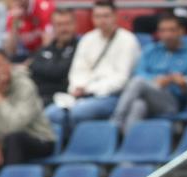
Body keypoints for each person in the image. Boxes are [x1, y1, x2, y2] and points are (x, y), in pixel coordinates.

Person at [44, 0, 140, 135]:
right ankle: (64, 149)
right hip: (82, 95)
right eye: (98, 16)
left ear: (115, 16)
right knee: (51, 113)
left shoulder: (128, 40)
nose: (102, 20)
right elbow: (77, 71)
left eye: (106, 16)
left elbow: (121, 79)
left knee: (79, 112)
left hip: (112, 97)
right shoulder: (87, 39)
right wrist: (77, 87)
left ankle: (81, 147)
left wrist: (89, 89)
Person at [111, 12, 187, 132]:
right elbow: (139, 72)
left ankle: (115, 121)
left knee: (139, 82)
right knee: (138, 105)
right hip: (148, 96)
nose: (167, 35)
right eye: (163, 31)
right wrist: (158, 79)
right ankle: (129, 144)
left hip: (172, 103)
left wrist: (181, 84)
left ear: (181, 31)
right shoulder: (150, 51)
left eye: (172, 30)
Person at [27, 8, 78, 106]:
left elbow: (60, 71)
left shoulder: (80, 47)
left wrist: (43, 67)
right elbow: (32, 66)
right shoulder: (47, 47)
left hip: (61, 99)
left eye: (67, 24)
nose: (64, 29)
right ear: (53, 27)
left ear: (75, 25)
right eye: (59, 25)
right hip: (37, 96)